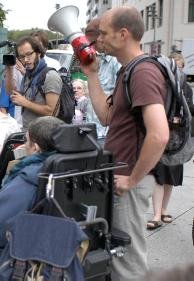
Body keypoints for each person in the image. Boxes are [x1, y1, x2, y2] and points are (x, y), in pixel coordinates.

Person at [80, 6, 169, 281]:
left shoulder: (142, 72)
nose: (99, 40)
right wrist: (92, 75)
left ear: (123, 34)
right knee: (116, 255)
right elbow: (106, 117)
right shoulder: (126, 71)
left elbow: (160, 134)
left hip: (128, 181)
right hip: (119, 177)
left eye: (104, 34)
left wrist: (131, 180)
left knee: (127, 263)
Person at [0, 116, 64, 280]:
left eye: (26, 141)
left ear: (36, 147)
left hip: (26, 258)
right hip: (60, 247)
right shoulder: (74, 168)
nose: (24, 146)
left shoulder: (30, 178)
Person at [147, 52, 192, 230]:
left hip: (178, 139)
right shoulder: (162, 86)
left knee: (171, 177)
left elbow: (191, 112)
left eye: (180, 68)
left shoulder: (186, 88)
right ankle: (156, 214)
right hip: (161, 136)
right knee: (159, 175)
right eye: (175, 67)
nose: (178, 71)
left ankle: (163, 210)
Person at [6, 36, 63, 130]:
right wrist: (9, 69)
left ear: (39, 53)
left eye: (29, 54)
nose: (26, 60)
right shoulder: (28, 75)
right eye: (22, 57)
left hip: (44, 135)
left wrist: (25, 102)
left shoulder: (50, 76)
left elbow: (52, 112)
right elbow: (11, 93)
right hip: (28, 131)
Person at [84, 17, 122, 141]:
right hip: (95, 129)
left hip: (107, 133)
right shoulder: (101, 60)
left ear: (101, 37)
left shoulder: (116, 62)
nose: (92, 48)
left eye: (93, 43)